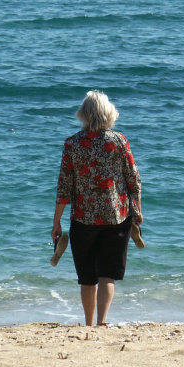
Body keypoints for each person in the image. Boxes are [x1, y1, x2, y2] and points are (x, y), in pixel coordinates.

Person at [52, 90, 142, 326]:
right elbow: (133, 179)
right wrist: (137, 210)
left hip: (82, 218)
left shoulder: (72, 144)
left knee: (87, 278)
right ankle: (102, 322)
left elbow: (64, 187)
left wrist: (56, 222)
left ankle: (89, 323)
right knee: (107, 275)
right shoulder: (119, 141)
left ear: (83, 114)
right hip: (117, 216)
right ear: (108, 113)